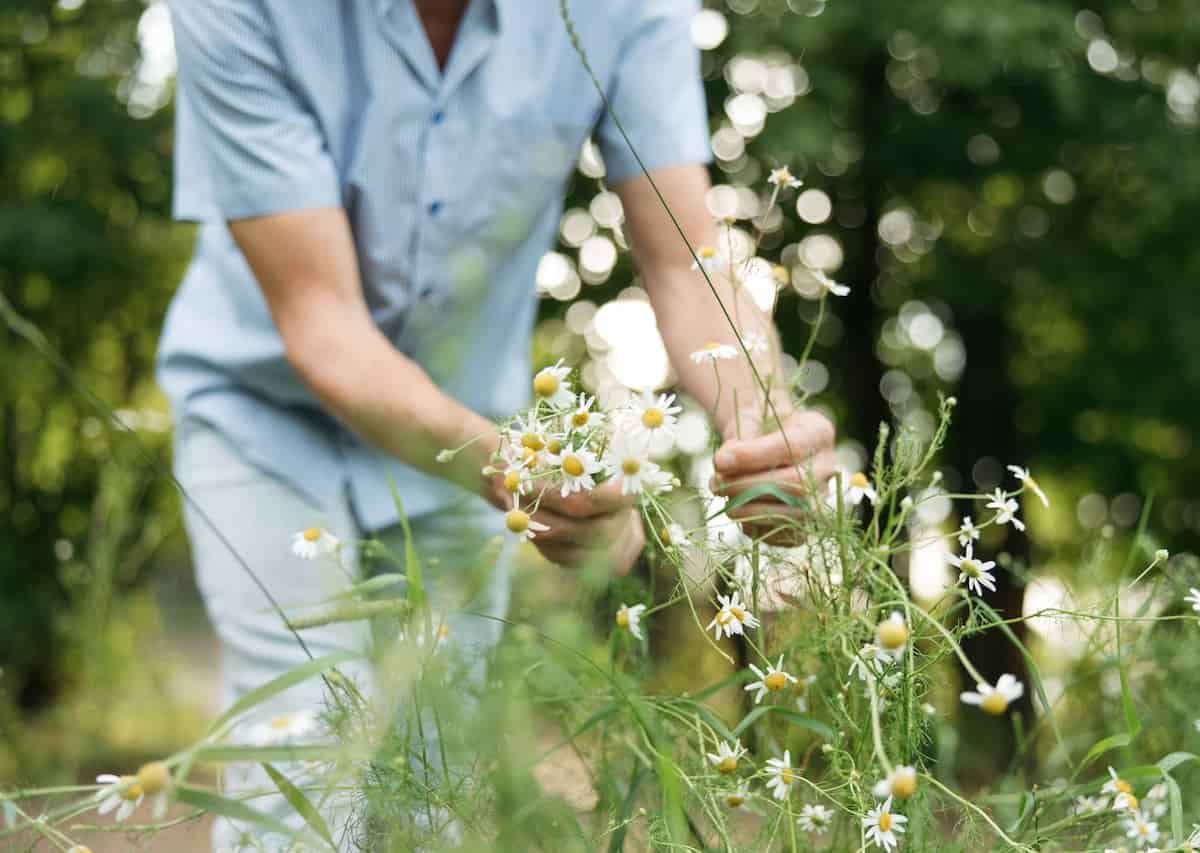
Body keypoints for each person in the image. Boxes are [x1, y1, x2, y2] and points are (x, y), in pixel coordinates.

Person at [161, 0, 835, 847]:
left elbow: (686, 262)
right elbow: (322, 323)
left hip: (463, 424)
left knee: (435, 780)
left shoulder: (630, 12)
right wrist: (522, 474)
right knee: (301, 754)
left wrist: (760, 418)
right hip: (260, 412)